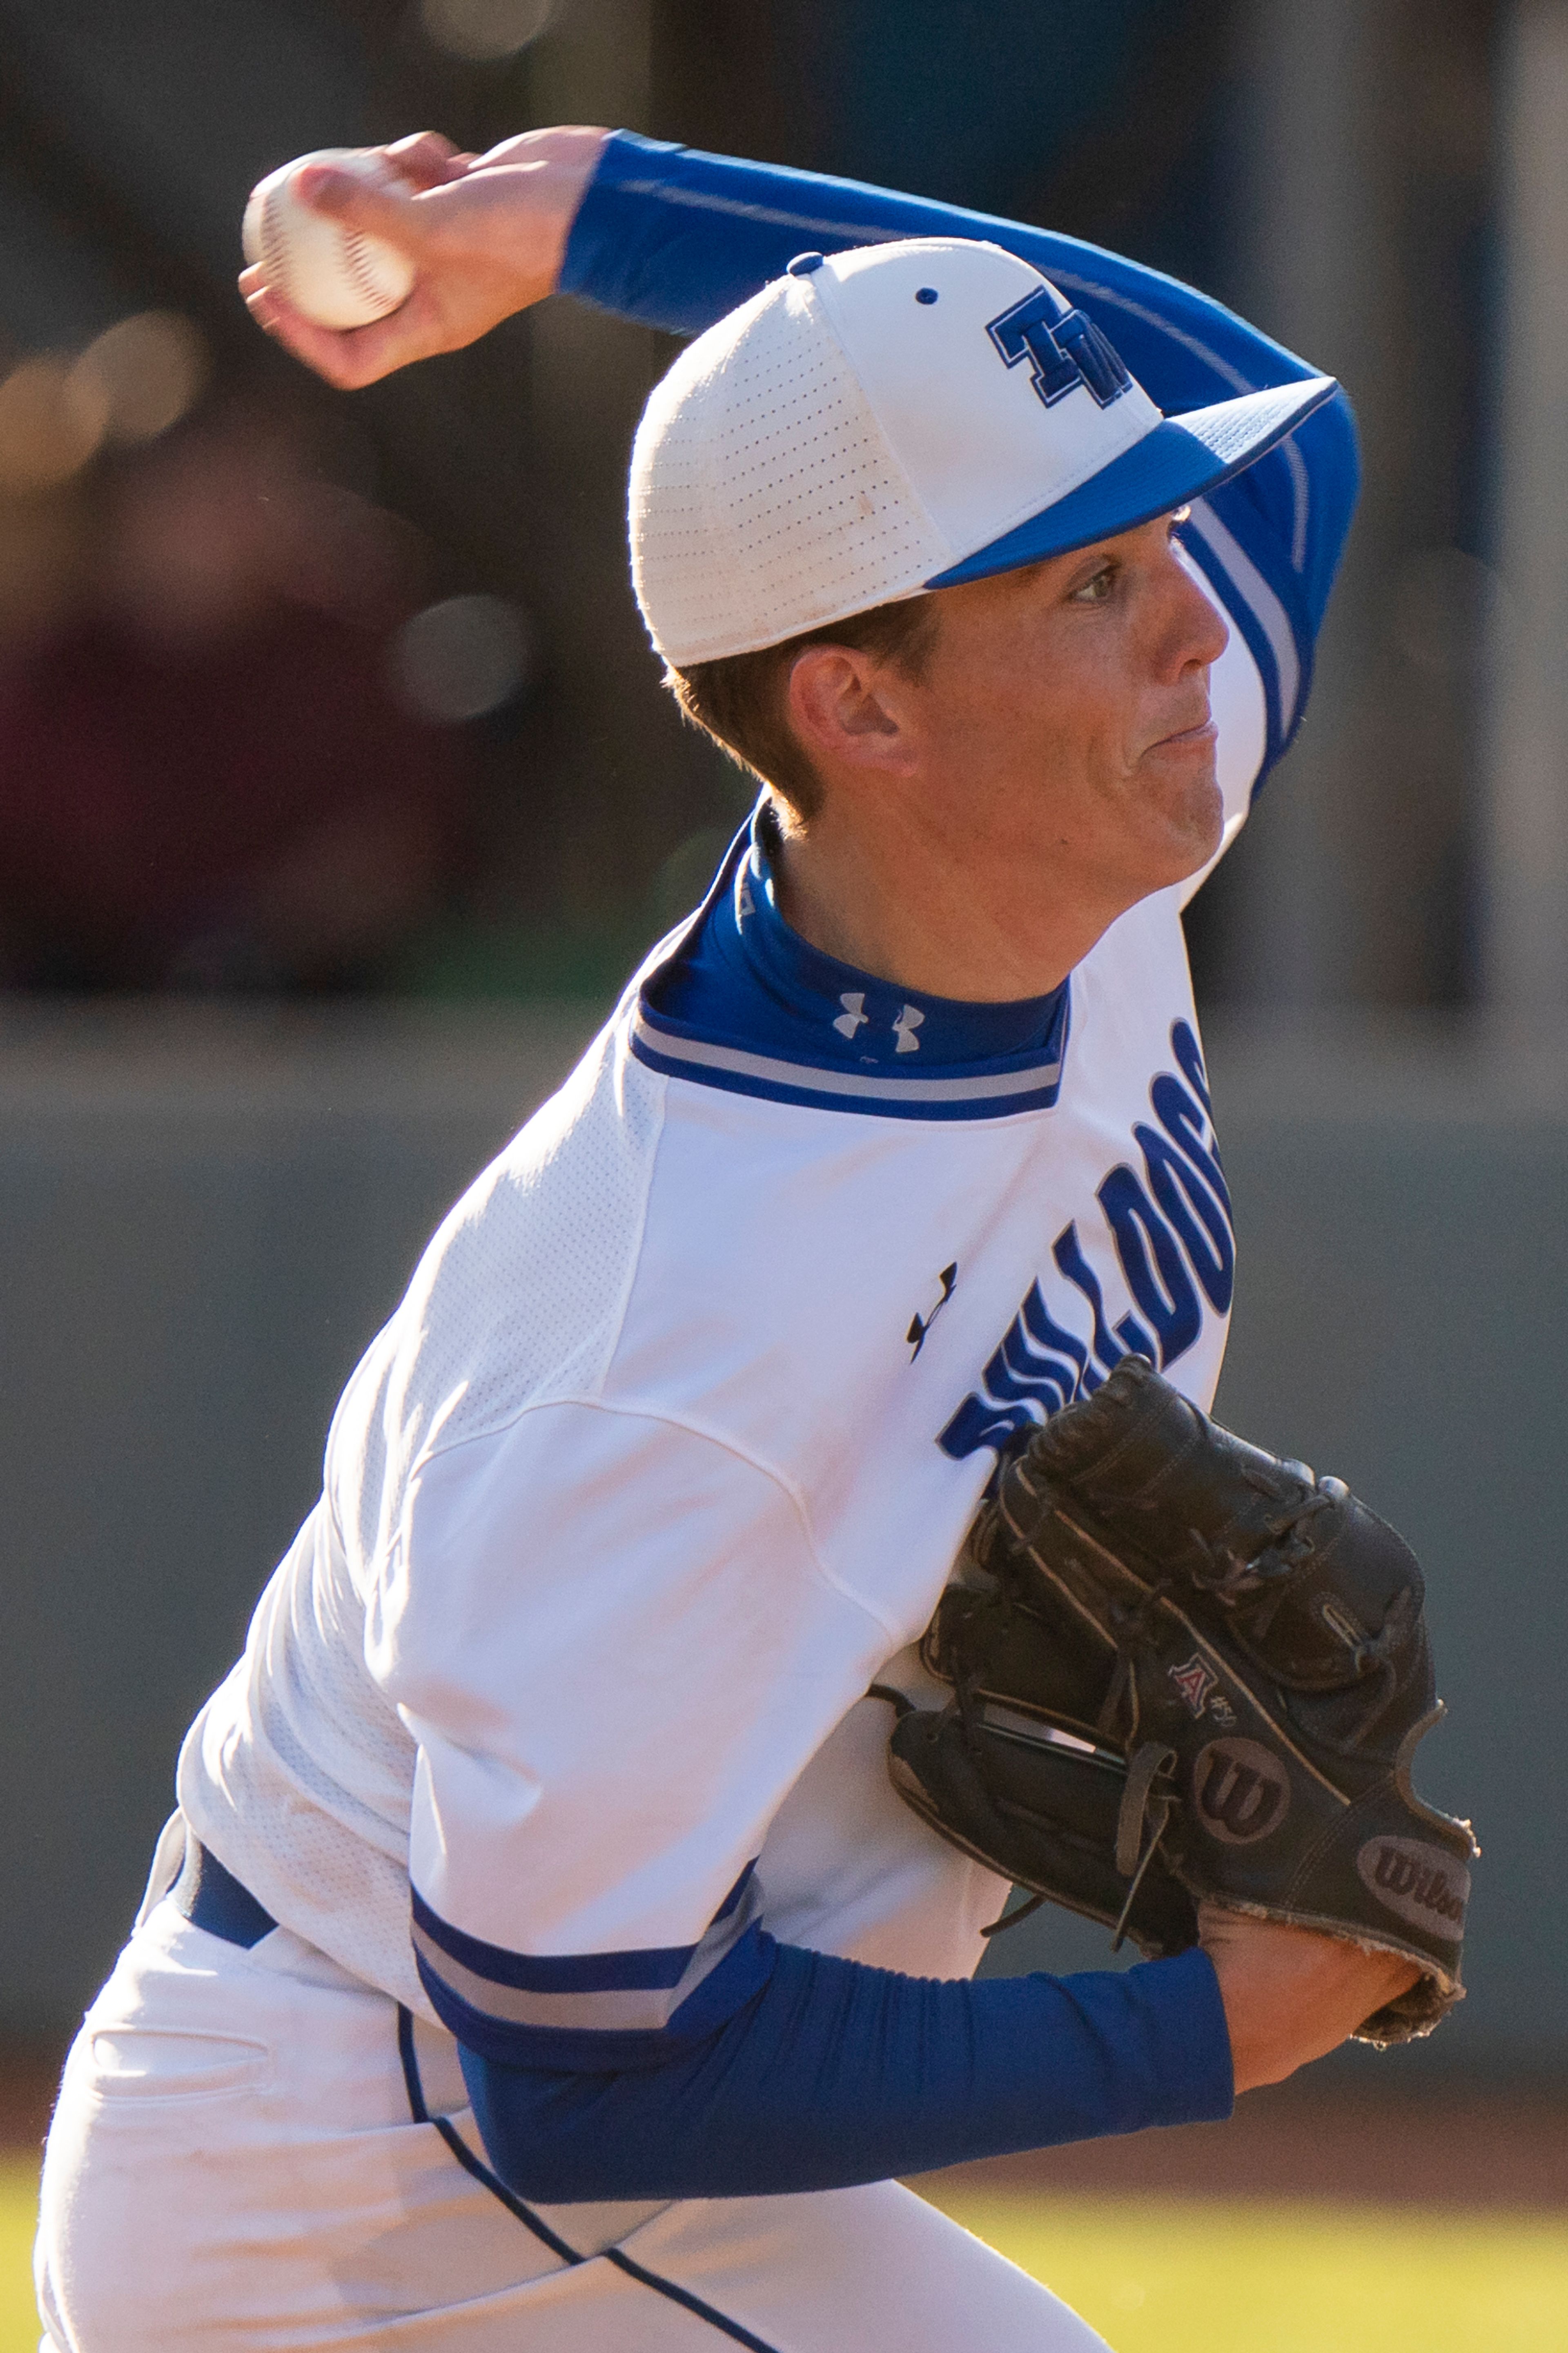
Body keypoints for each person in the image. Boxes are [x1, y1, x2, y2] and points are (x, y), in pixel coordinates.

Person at [35, 126, 1417, 2352]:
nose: (1193, 605)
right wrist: (1210, 2032)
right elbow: (585, 2071)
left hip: (503, 2118)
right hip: (358, 2196)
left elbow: (1281, 413)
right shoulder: (665, 1340)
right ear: (862, 708)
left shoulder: (1072, 800)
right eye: (1087, 578)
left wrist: (587, 219)